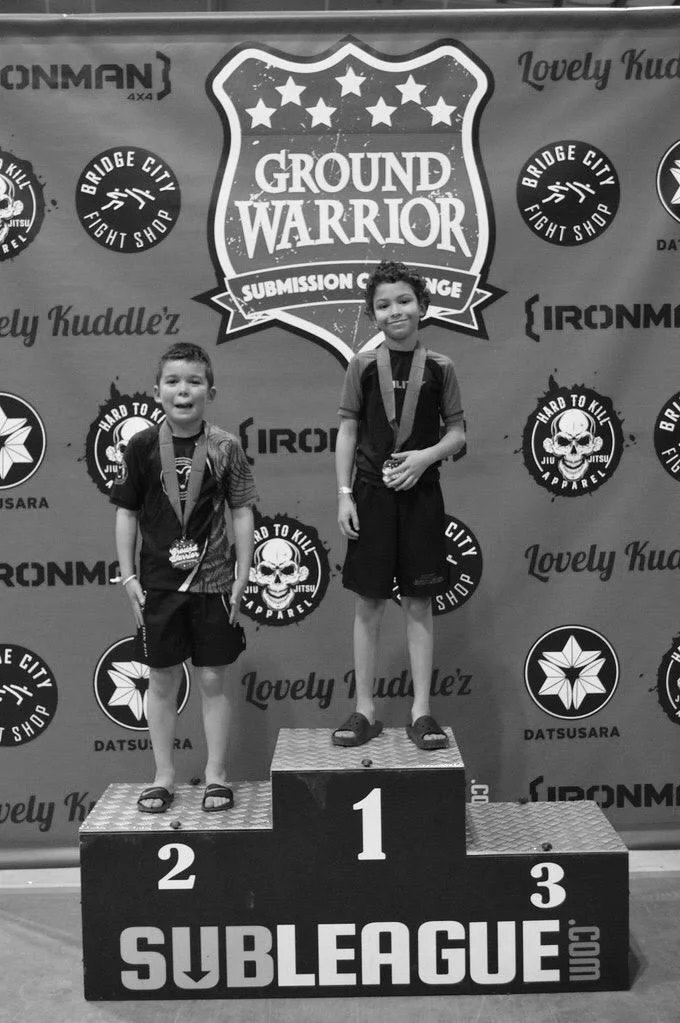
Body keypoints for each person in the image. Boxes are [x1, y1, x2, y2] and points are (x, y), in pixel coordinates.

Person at [111, 342, 257, 812]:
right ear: (157, 391)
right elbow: (126, 513)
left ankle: (216, 775)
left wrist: (244, 571)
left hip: (213, 583)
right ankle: (163, 776)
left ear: (210, 391)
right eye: (173, 381)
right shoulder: (142, 446)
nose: (183, 390)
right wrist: (128, 576)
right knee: (161, 681)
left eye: (194, 381)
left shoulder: (225, 446)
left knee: (213, 680)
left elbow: (241, 511)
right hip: (159, 585)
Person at [334, 261, 465, 750]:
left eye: (404, 301)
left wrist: (423, 458)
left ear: (423, 306)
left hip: (422, 496)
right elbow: (348, 430)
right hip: (369, 497)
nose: (395, 311)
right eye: (384, 305)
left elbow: (458, 433)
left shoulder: (441, 367)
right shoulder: (363, 366)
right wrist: (344, 494)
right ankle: (364, 709)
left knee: (418, 603)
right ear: (373, 315)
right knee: (367, 603)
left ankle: (421, 712)